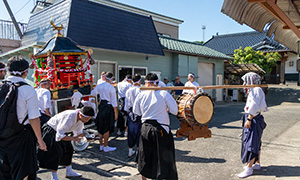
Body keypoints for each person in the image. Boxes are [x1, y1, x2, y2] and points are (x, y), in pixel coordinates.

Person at [0, 55, 47, 180]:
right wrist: (40, 140)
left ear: (8, 70)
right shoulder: (28, 89)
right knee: (23, 171)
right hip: (21, 136)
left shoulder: (1, 85)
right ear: (25, 72)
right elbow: (34, 118)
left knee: (4, 171)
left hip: (2, 135)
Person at [133, 73, 178, 180]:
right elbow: (175, 111)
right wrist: (165, 109)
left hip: (145, 128)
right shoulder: (164, 94)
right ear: (157, 83)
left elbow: (136, 112)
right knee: (162, 159)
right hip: (161, 129)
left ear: (146, 83)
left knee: (145, 156)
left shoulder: (141, 95)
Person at [37, 106, 95, 180]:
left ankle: (69, 171)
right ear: (81, 115)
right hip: (51, 130)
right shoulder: (70, 116)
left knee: (69, 149)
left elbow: (79, 133)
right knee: (57, 153)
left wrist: (87, 138)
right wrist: (74, 138)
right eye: (86, 118)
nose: (87, 121)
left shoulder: (80, 120)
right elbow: (59, 135)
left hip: (62, 132)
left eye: (89, 119)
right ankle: (53, 176)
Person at [237, 72, 268, 178]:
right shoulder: (255, 90)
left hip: (253, 118)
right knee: (256, 142)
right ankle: (256, 164)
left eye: (245, 81)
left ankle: (249, 168)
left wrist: (249, 119)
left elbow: (254, 106)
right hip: (254, 117)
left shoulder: (256, 90)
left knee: (251, 143)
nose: (244, 84)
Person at [91, 72, 118, 152]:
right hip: (108, 107)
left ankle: (101, 145)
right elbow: (114, 102)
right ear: (111, 79)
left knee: (100, 127)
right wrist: (115, 113)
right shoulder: (111, 88)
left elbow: (92, 94)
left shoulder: (99, 86)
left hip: (101, 106)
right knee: (107, 127)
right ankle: (106, 146)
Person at [124, 74, 142, 157]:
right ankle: (138, 151)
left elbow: (127, 102)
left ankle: (130, 150)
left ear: (132, 81)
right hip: (140, 112)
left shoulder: (129, 90)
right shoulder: (141, 90)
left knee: (131, 130)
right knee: (139, 131)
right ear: (140, 81)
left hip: (131, 111)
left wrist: (127, 110)